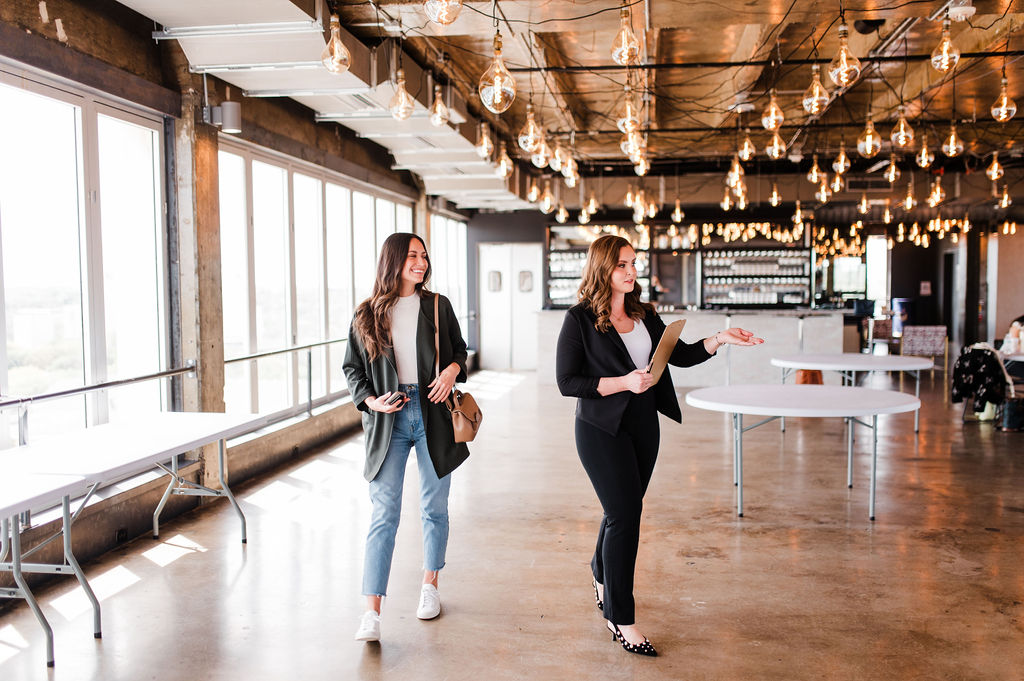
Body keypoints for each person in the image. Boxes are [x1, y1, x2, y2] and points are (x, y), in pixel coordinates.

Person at [555, 234, 762, 657]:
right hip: (600, 430)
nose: (632, 271)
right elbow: (567, 382)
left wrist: (721, 338)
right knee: (626, 514)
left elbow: (679, 355)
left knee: (621, 511)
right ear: (602, 270)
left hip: (643, 427)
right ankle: (620, 616)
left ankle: (599, 571)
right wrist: (623, 382)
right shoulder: (578, 319)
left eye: (633, 263)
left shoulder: (644, 313)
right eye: (622, 265)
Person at [343, 232, 469, 643]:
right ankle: (371, 613)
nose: (421, 262)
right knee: (384, 515)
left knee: (434, 505)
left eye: (424, 256)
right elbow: (351, 368)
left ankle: (430, 585)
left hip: (433, 413)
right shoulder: (367, 313)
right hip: (389, 420)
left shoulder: (437, 305)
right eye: (413, 255)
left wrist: (451, 371)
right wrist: (370, 401)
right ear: (394, 260)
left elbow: (459, 351)